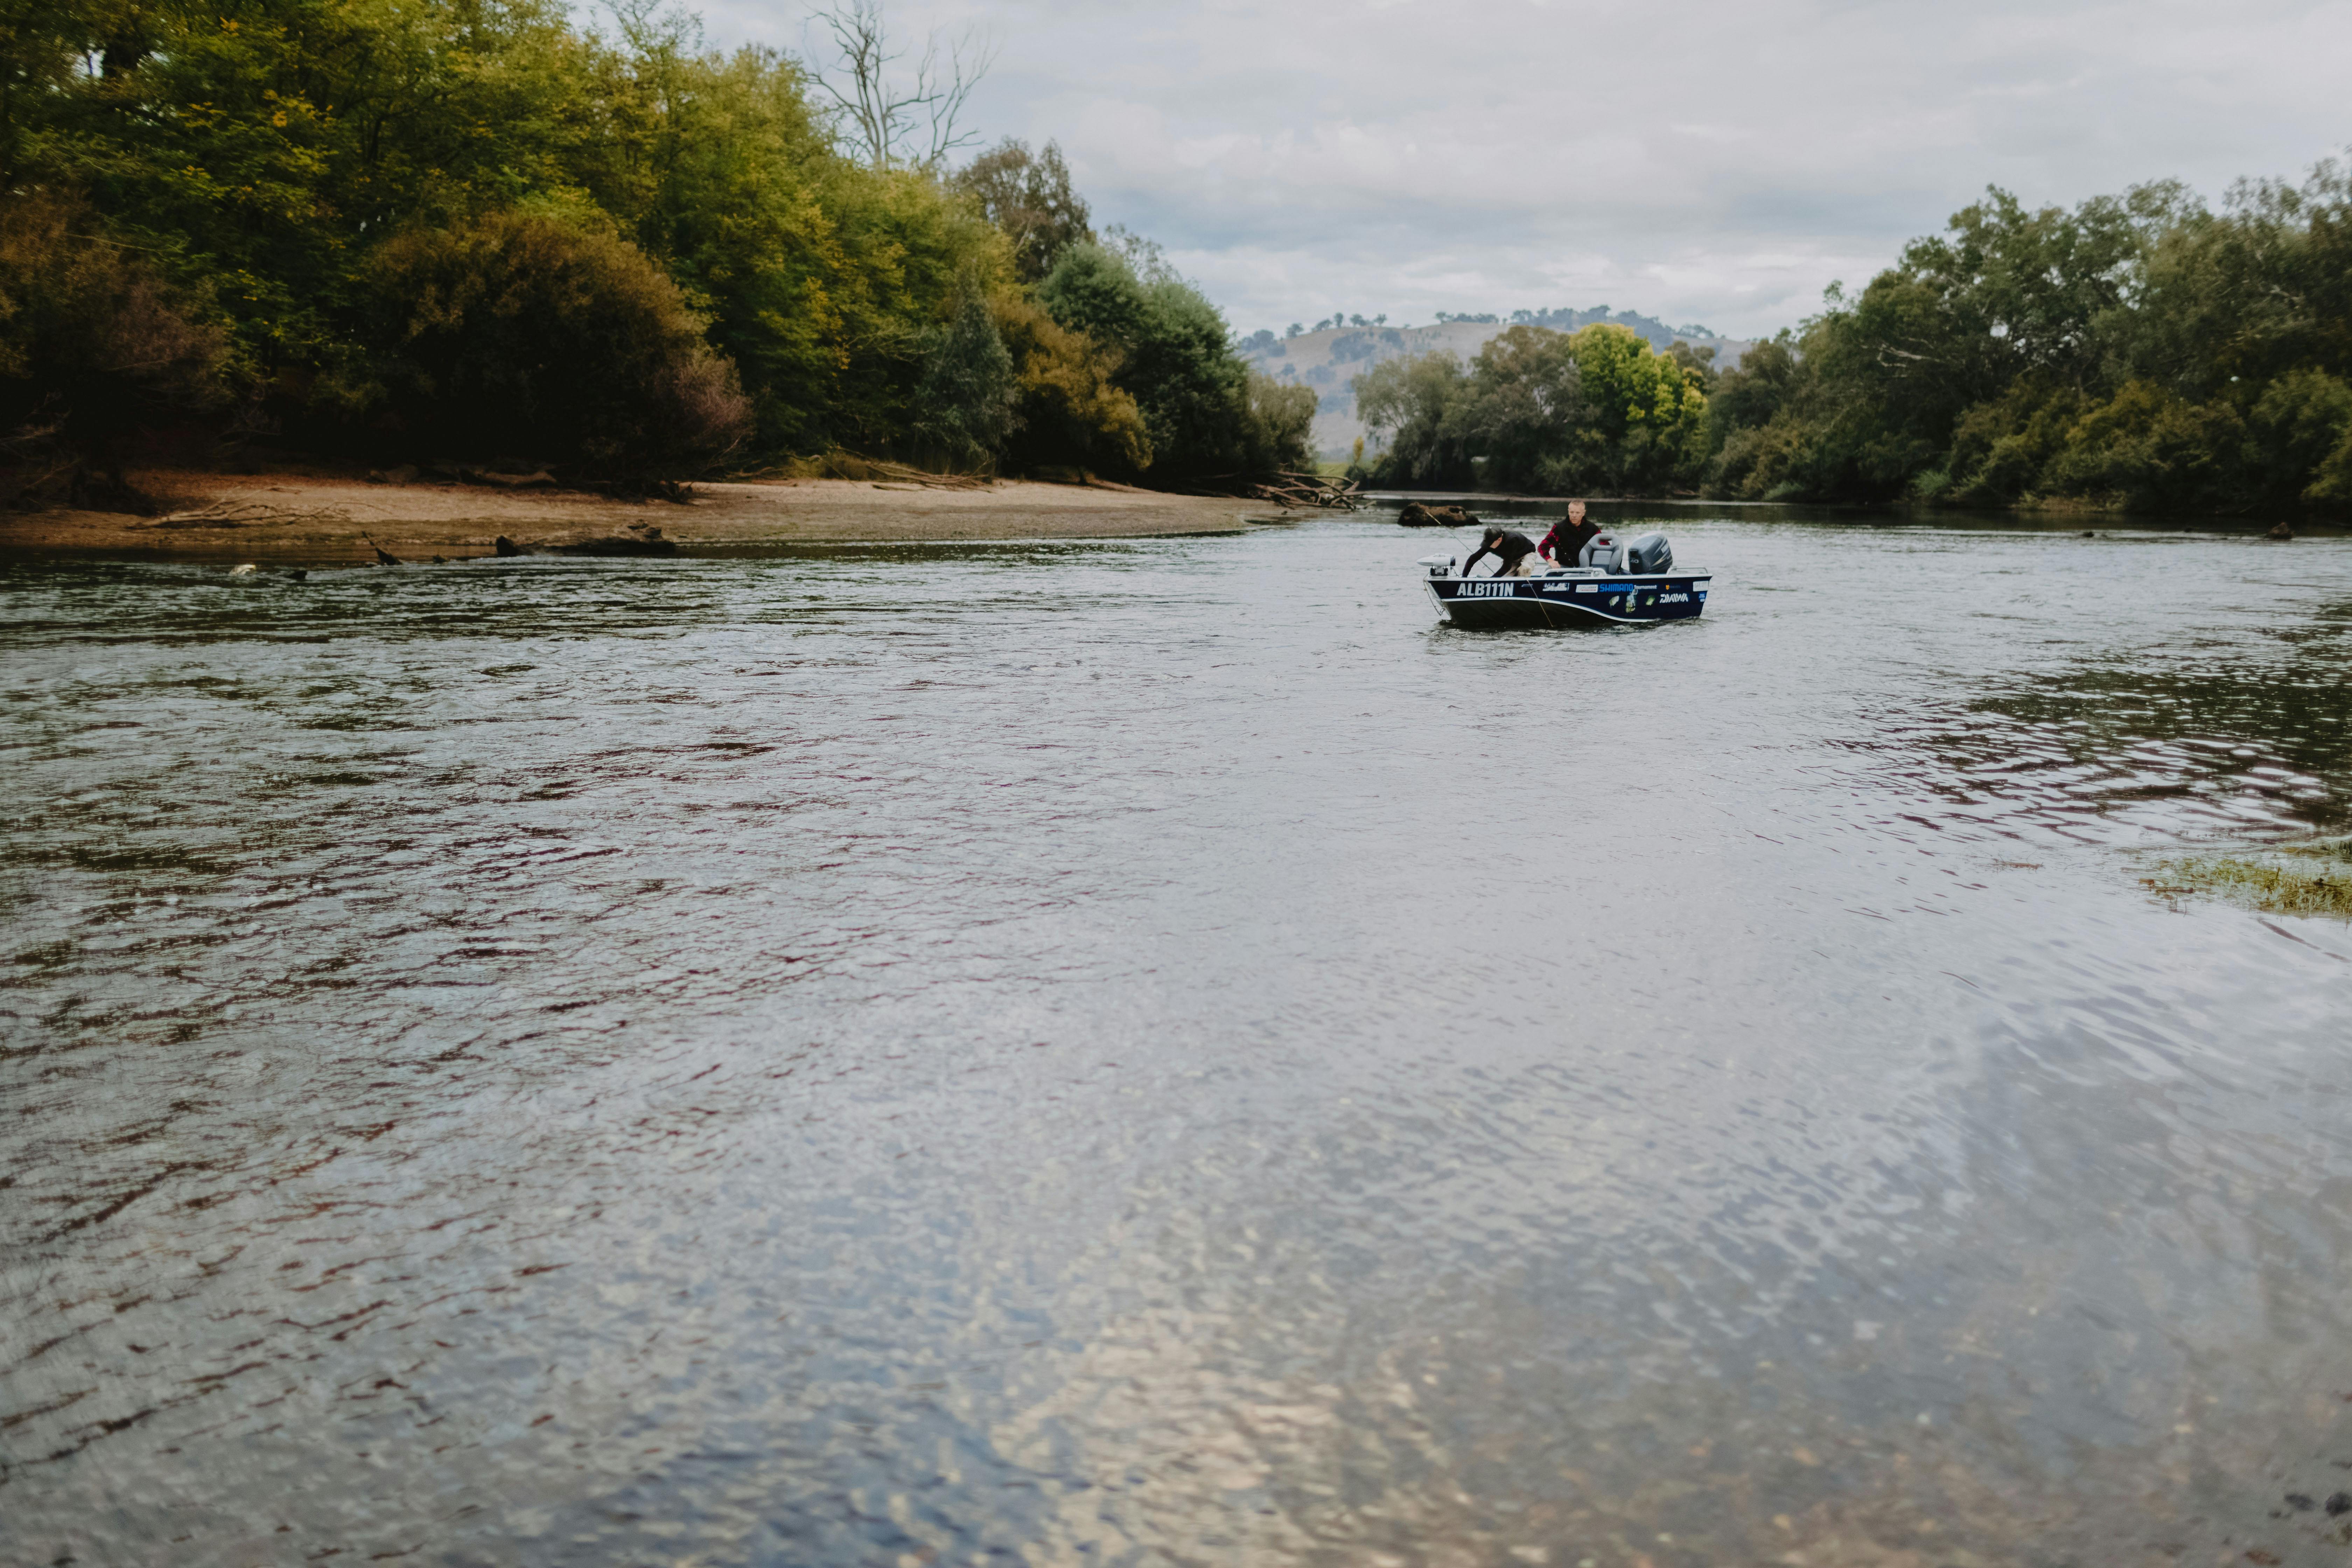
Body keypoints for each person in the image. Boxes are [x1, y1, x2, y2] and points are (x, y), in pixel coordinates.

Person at [1539, 500, 1600, 567]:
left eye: (1578, 513)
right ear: (1568, 512)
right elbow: (1543, 547)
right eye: (1572, 512)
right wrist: (1551, 561)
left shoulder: (1593, 529)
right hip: (1563, 567)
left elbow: (1604, 547)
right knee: (1549, 570)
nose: (1574, 516)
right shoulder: (1559, 528)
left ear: (1583, 513)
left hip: (1587, 568)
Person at [1462, 525, 1539, 577]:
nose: (1488, 546)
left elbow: (1507, 566)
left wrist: (1492, 580)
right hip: (1512, 560)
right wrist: (1464, 577)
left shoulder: (1512, 540)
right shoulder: (1490, 543)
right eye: (1487, 543)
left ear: (1499, 540)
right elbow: (1473, 559)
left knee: (1524, 570)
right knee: (1504, 580)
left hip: (1528, 554)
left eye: (1490, 544)